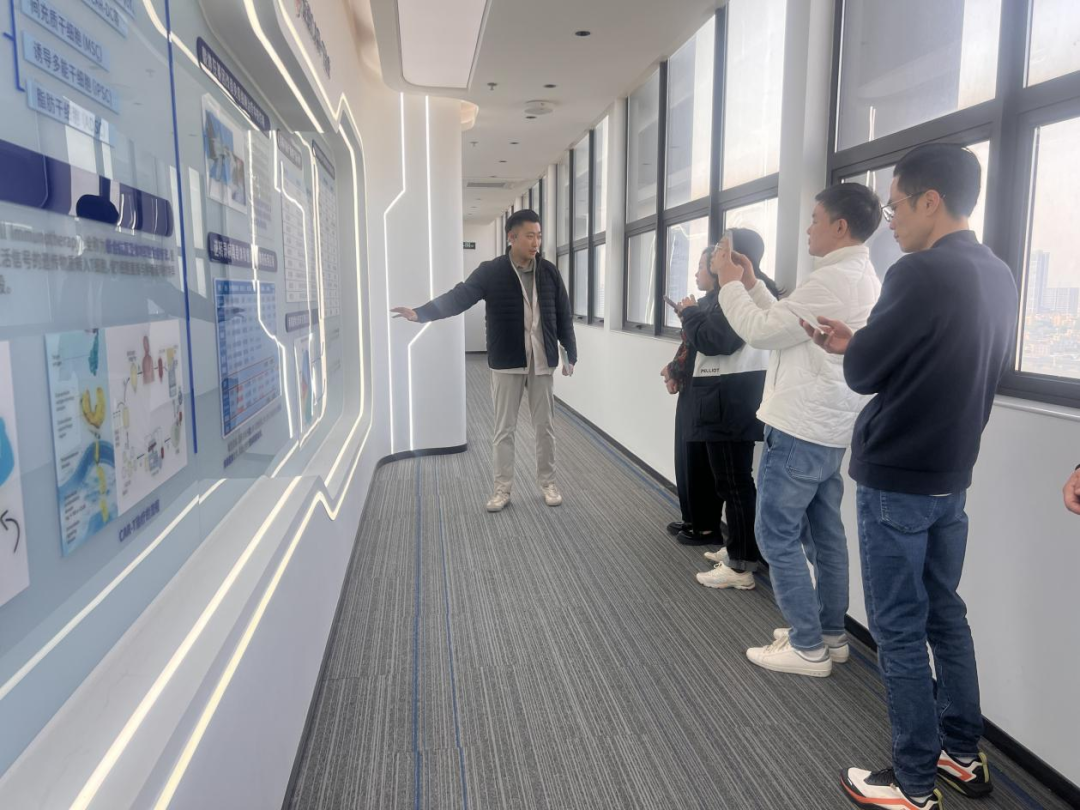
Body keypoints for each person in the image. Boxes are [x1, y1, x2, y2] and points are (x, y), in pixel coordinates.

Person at [802, 144, 1018, 809]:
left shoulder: (919, 272)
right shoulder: (998, 273)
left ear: (931, 201)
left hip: (897, 477)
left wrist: (854, 348)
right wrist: (859, 341)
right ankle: (961, 755)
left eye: (896, 206)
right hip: (951, 477)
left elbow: (868, 372)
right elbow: (940, 359)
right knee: (945, 615)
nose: (890, 220)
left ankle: (913, 784)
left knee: (898, 629)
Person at [713, 183, 882, 678]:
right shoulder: (857, 274)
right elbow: (784, 322)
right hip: (827, 427)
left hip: (800, 426)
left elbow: (761, 332)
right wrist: (750, 284)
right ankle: (829, 635)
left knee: (775, 533)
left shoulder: (833, 280)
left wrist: (727, 283)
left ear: (840, 226)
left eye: (814, 219)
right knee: (823, 536)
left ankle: (807, 645)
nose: (808, 229)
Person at [392, 209, 577, 512]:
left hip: (543, 360)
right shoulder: (492, 271)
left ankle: (548, 483)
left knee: (545, 427)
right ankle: (502, 489)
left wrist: (570, 352)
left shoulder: (549, 272)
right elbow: (460, 296)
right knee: (504, 429)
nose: (536, 242)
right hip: (507, 361)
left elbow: (563, 314)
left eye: (539, 236)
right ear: (512, 237)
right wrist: (421, 313)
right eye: (530, 236)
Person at [675, 228, 775, 589]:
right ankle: (741, 548)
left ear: (737, 258)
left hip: (730, 399)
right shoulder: (730, 294)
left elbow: (715, 340)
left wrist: (690, 313)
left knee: (734, 483)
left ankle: (740, 565)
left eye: (720, 249)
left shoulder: (739, 293)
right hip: (726, 396)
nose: (713, 255)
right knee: (732, 482)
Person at [662, 247, 723, 545]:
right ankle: (691, 518)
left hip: (709, 391)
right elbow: (690, 345)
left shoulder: (722, 304)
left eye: (701, 266)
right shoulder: (704, 304)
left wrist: (690, 314)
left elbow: (707, 344)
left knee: (700, 461)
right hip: (692, 387)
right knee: (685, 456)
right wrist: (674, 369)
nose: (696, 272)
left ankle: (706, 526)